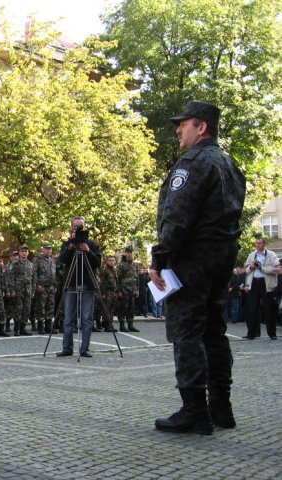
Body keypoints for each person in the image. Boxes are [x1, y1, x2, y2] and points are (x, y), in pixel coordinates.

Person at [149, 101, 245, 435]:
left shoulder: (192, 163)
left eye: (183, 124)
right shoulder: (231, 165)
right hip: (223, 256)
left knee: (186, 330)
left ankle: (194, 411)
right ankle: (221, 407)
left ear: (201, 127)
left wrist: (160, 257)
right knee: (214, 330)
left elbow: (178, 214)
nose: (178, 129)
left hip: (193, 258)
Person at [56, 216, 101, 358]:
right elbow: (62, 260)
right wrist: (69, 248)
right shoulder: (67, 244)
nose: (78, 230)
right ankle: (67, 348)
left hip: (88, 284)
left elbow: (98, 262)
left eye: (80, 227)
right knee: (68, 318)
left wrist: (88, 251)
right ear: (71, 228)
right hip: (71, 284)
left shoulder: (92, 244)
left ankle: (84, 349)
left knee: (87, 318)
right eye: (75, 227)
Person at [243, 237, 278, 340]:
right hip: (254, 283)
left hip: (266, 283)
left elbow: (275, 269)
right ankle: (252, 333)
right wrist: (252, 267)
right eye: (256, 244)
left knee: (269, 309)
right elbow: (246, 270)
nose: (257, 245)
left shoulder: (271, 255)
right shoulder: (252, 255)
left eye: (259, 243)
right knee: (252, 309)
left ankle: (272, 333)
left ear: (264, 244)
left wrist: (261, 268)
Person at [9, 244, 36, 336]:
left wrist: (32, 291)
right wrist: (12, 290)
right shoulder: (15, 263)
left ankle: (23, 328)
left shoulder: (31, 264)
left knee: (26, 310)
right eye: (22, 251)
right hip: (18, 290)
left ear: (28, 253)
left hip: (28, 290)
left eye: (26, 251)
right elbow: (11, 277)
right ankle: (16, 329)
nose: (24, 253)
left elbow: (34, 279)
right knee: (18, 309)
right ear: (19, 252)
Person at [33, 243, 57, 334]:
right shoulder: (37, 260)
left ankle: (48, 326)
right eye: (46, 249)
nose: (48, 250)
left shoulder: (52, 261)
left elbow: (54, 274)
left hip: (51, 287)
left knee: (50, 306)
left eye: (50, 249)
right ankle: (40, 326)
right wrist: (37, 285)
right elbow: (34, 273)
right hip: (42, 287)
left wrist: (55, 285)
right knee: (40, 306)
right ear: (42, 249)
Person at [117, 246, 140, 332]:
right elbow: (118, 278)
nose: (129, 253)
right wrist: (119, 291)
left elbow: (136, 277)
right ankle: (122, 325)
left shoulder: (134, 264)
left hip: (132, 289)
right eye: (128, 251)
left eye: (131, 252)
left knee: (131, 308)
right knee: (123, 308)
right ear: (125, 252)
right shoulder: (121, 264)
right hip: (124, 289)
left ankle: (130, 325)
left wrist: (137, 290)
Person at [98, 255, 119, 332]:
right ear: (107, 261)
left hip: (113, 292)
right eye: (110, 260)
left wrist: (117, 291)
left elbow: (116, 281)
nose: (111, 262)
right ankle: (107, 325)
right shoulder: (104, 269)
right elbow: (102, 282)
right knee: (107, 309)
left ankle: (110, 324)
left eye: (113, 260)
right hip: (107, 292)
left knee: (111, 309)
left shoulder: (114, 270)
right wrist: (103, 293)